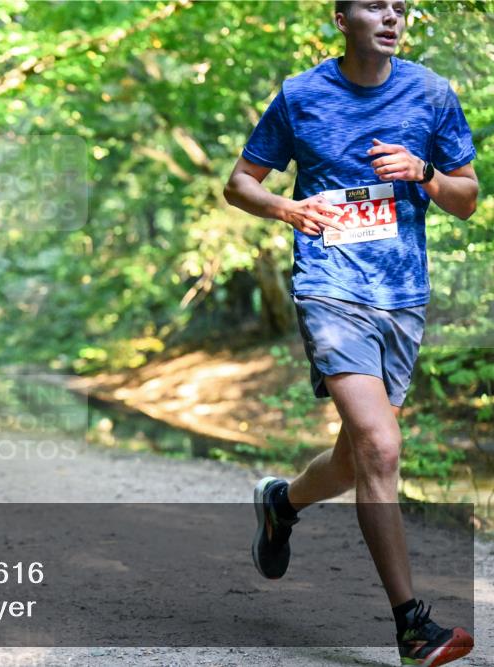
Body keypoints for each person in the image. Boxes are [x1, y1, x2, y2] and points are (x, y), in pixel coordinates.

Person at [224, 2, 478, 665]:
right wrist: (287, 206)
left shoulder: (431, 93)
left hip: (403, 297)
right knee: (380, 443)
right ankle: (411, 626)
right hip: (329, 286)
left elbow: (468, 195)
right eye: (374, 4)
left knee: (356, 457)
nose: (391, 16)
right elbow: (240, 183)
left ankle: (281, 503)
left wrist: (424, 173)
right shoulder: (301, 95)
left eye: (401, 6)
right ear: (342, 16)